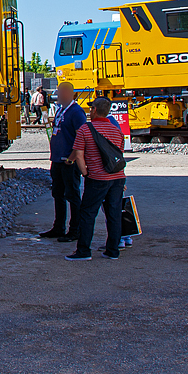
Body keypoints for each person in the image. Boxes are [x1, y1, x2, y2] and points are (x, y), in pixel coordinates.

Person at [65, 97, 126, 261]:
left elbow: (78, 155)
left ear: (94, 110)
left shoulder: (85, 129)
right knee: (114, 213)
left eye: (91, 109)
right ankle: (113, 250)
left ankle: (84, 251)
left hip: (97, 178)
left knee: (88, 213)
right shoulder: (116, 130)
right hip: (117, 177)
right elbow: (119, 155)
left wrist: (85, 173)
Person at [40, 82, 86, 241]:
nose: (59, 95)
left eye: (62, 92)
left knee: (72, 195)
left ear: (70, 94)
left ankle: (75, 230)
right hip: (57, 159)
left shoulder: (76, 112)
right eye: (58, 92)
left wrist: (72, 158)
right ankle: (58, 227)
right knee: (58, 194)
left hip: (68, 161)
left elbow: (82, 137)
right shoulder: (61, 110)